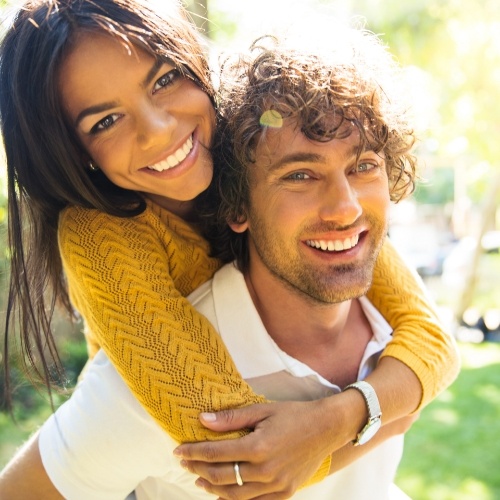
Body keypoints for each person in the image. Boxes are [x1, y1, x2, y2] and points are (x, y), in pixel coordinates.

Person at [0, 0, 459, 496]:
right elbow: (246, 452)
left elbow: (432, 340)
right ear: (73, 154)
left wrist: (342, 417)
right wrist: (389, 411)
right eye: (105, 122)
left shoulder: (255, 145)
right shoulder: (102, 237)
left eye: (164, 79)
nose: (159, 129)